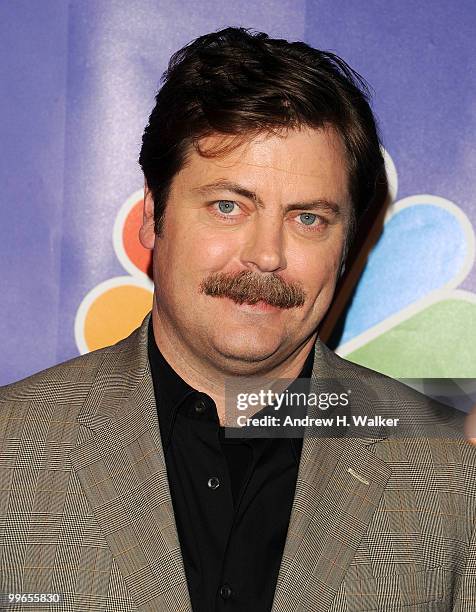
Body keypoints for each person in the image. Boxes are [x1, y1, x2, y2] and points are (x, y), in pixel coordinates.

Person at [0, 27, 475, 612]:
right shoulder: (8, 446)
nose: (267, 254)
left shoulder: (451, 462)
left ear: (348, 243)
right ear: (154, 215)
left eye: (308, 219)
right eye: (229, 206)